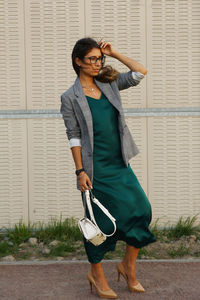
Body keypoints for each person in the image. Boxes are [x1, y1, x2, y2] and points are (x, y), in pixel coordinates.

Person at [60, 37, 156, 299]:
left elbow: (140, 72)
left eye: (99, 58)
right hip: (94, 169)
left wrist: (114, 53)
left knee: (141, 210)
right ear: (78, 61)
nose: (97, 63)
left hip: (119, 162)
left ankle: (127, 266)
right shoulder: (70, 97)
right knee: (97, 223)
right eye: (91, 59)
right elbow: (74, 136)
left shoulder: (109, 82)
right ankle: (97, 273)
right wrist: (80, 172)